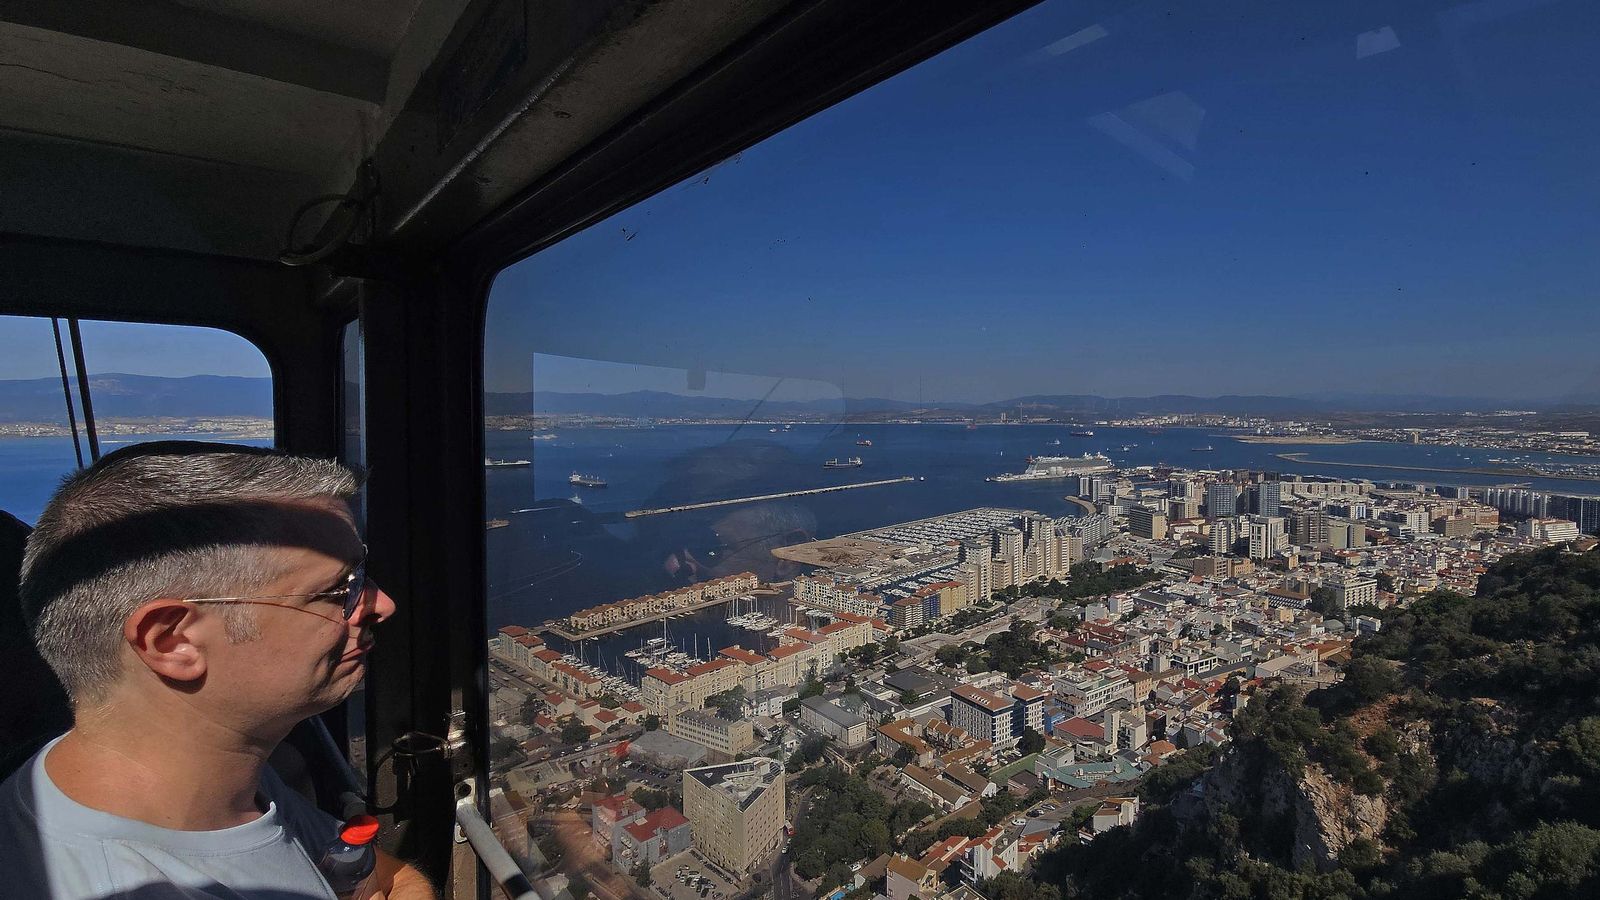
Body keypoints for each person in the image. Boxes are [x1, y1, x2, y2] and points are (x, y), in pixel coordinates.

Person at [0, 442, 434, 899]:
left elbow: (387, 880)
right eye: (336, 590)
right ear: (172, 641)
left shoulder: (217, 780)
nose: (382, 604)